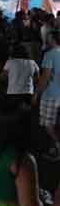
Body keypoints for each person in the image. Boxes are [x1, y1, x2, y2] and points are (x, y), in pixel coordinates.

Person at [36, 29, 60, 159]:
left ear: (53, 39)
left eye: (49, 37)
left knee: (47, 124)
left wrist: (36, 93)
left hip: (51, 94)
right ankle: (54, 147)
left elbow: (45, 77)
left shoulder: (50, 54)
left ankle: (57, 145)